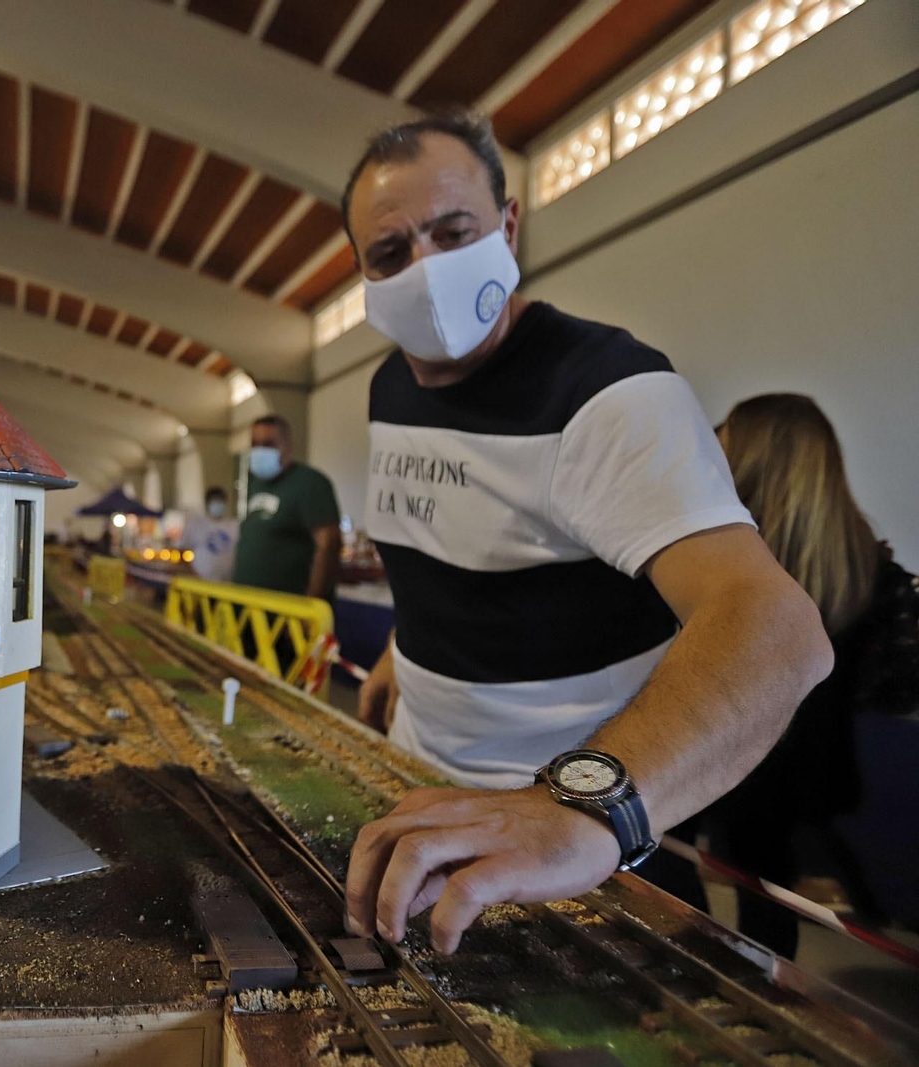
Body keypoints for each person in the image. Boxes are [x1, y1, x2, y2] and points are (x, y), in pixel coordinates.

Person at [338, 111, 831, 953]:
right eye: (391, 254)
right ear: (363, 276)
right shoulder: (392, 386)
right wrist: (404, 657)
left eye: (454, 232)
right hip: (419, 791)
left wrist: (577, 805)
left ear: (509, 225)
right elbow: (449, 547)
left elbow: (778, 632)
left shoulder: (611, 395)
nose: (425, 271)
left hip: (557, 840)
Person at [697, 394, 919, 957]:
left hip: (731, 770)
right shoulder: (871, 568)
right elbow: (892, 689)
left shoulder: (728, 566)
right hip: (821, 785)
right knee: (767, 911)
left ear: (754, 460)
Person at [231, 415, 341, 600]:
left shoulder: (309, 483)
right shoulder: (256, 485)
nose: (260, 450)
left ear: (288, 445)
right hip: (248, 607)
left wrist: (312, 604)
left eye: (269, 443)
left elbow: (329, 544)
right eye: (255, 443)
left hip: (287, 612)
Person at [182, 486, 238, 582]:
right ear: (207, 504)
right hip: (200, 583)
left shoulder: (234, 526)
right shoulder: (196, 524)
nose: (218, 505)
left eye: (220, 501)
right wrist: (193, 575)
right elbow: (183, 551)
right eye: (215, 502)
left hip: (227, 584)